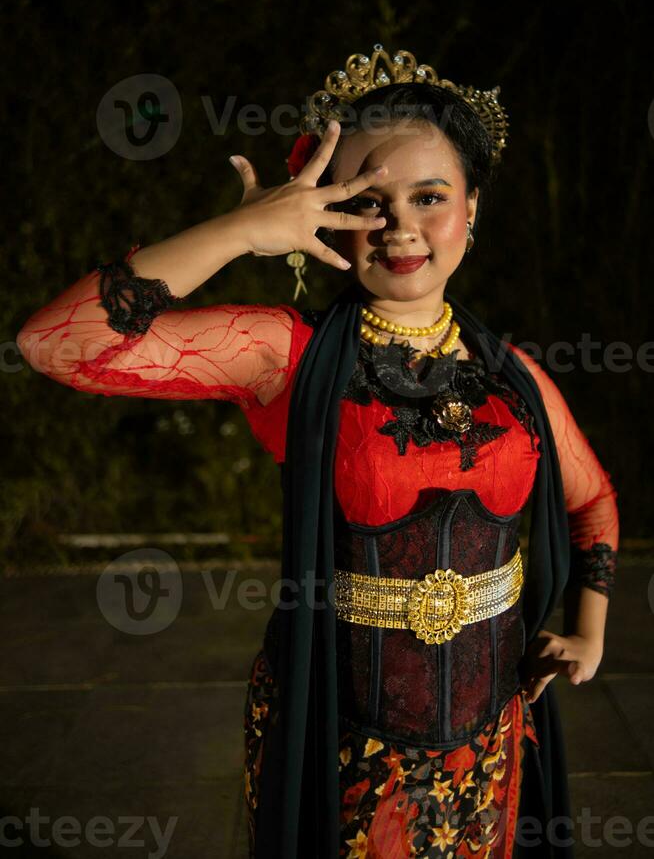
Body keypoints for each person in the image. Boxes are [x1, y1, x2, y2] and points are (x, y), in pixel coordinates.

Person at [17, 45, 619, 858]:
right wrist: (240, 232)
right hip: (344, 749)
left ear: (471, 210)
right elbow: (58, 344)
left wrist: (589, 628)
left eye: (429, 197)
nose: (400, 224)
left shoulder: (516, 380)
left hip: (492, 751)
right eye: (370, 201)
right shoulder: (285, 356)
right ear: (329, 211)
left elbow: (592, 502)